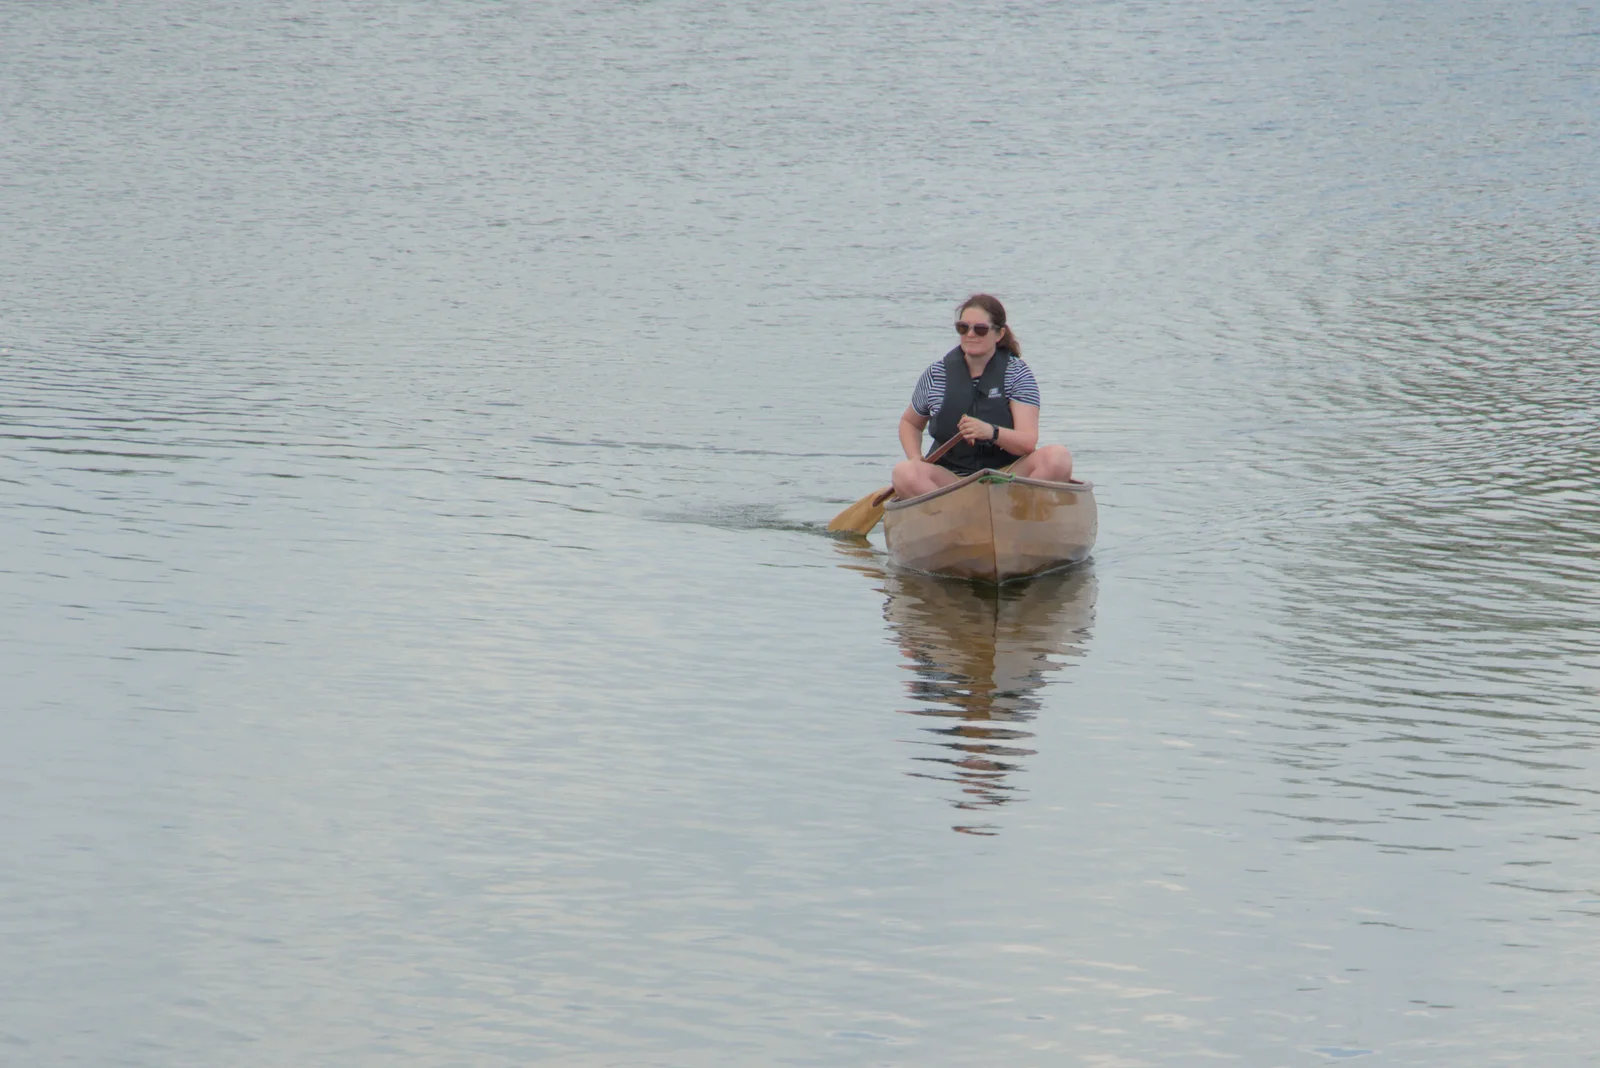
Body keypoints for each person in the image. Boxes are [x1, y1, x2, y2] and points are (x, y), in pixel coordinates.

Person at [891, 294, 1074, 499]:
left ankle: (1019, 508)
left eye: (980, 329)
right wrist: (916, 458)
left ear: (999, 334)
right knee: (904, 472)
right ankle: (952, 514)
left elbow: (1027, 442)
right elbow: (910, 423)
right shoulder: (936, 374)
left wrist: (990, 432)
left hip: (1008, 477)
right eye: (963, 328)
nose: (970, 334)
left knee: (1058, 458)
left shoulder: (1017, 374)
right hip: (950, 481)